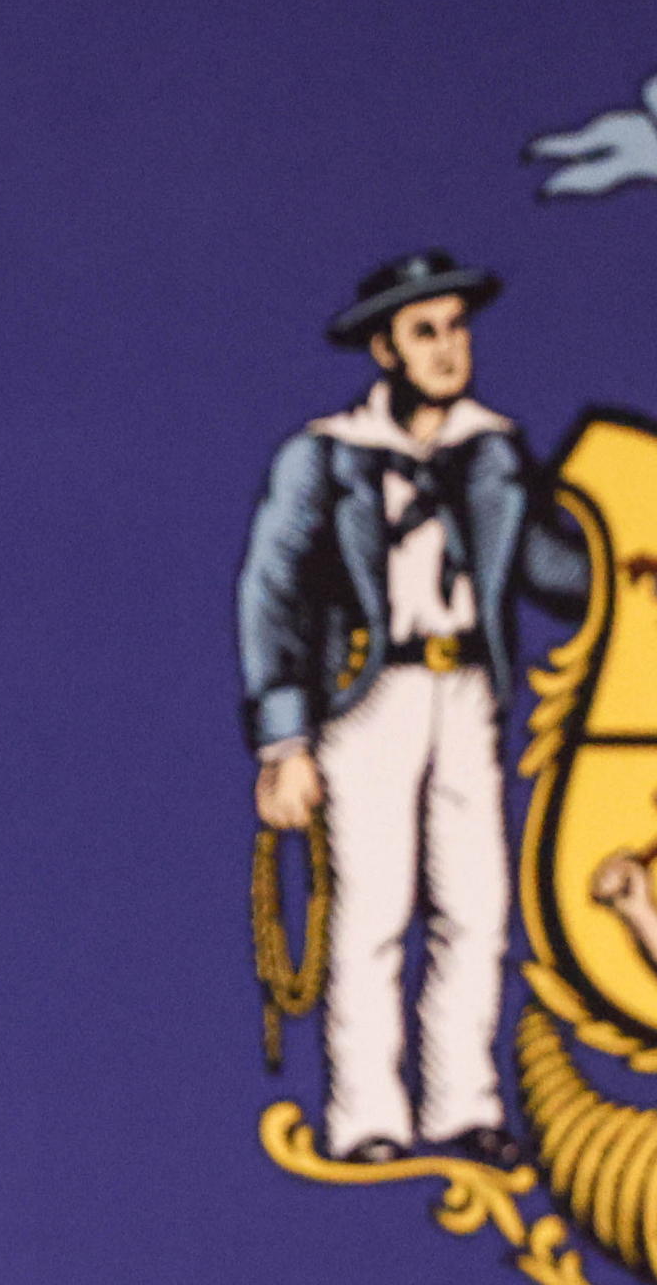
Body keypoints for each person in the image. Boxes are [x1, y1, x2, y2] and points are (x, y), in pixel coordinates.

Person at [236, 249, 594, 1162]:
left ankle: (463, 1108)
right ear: (386, 351)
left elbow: (549, 572)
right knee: (370, 912)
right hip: (370, 698)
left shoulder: (495, 450)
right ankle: (366, 1118)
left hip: (470, 694)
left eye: (456, 327)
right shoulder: (323, 458)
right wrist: (286, 742)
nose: (448, 348)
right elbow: (272, 593)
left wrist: (652, 572)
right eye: (425, 332)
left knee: (476, 908)